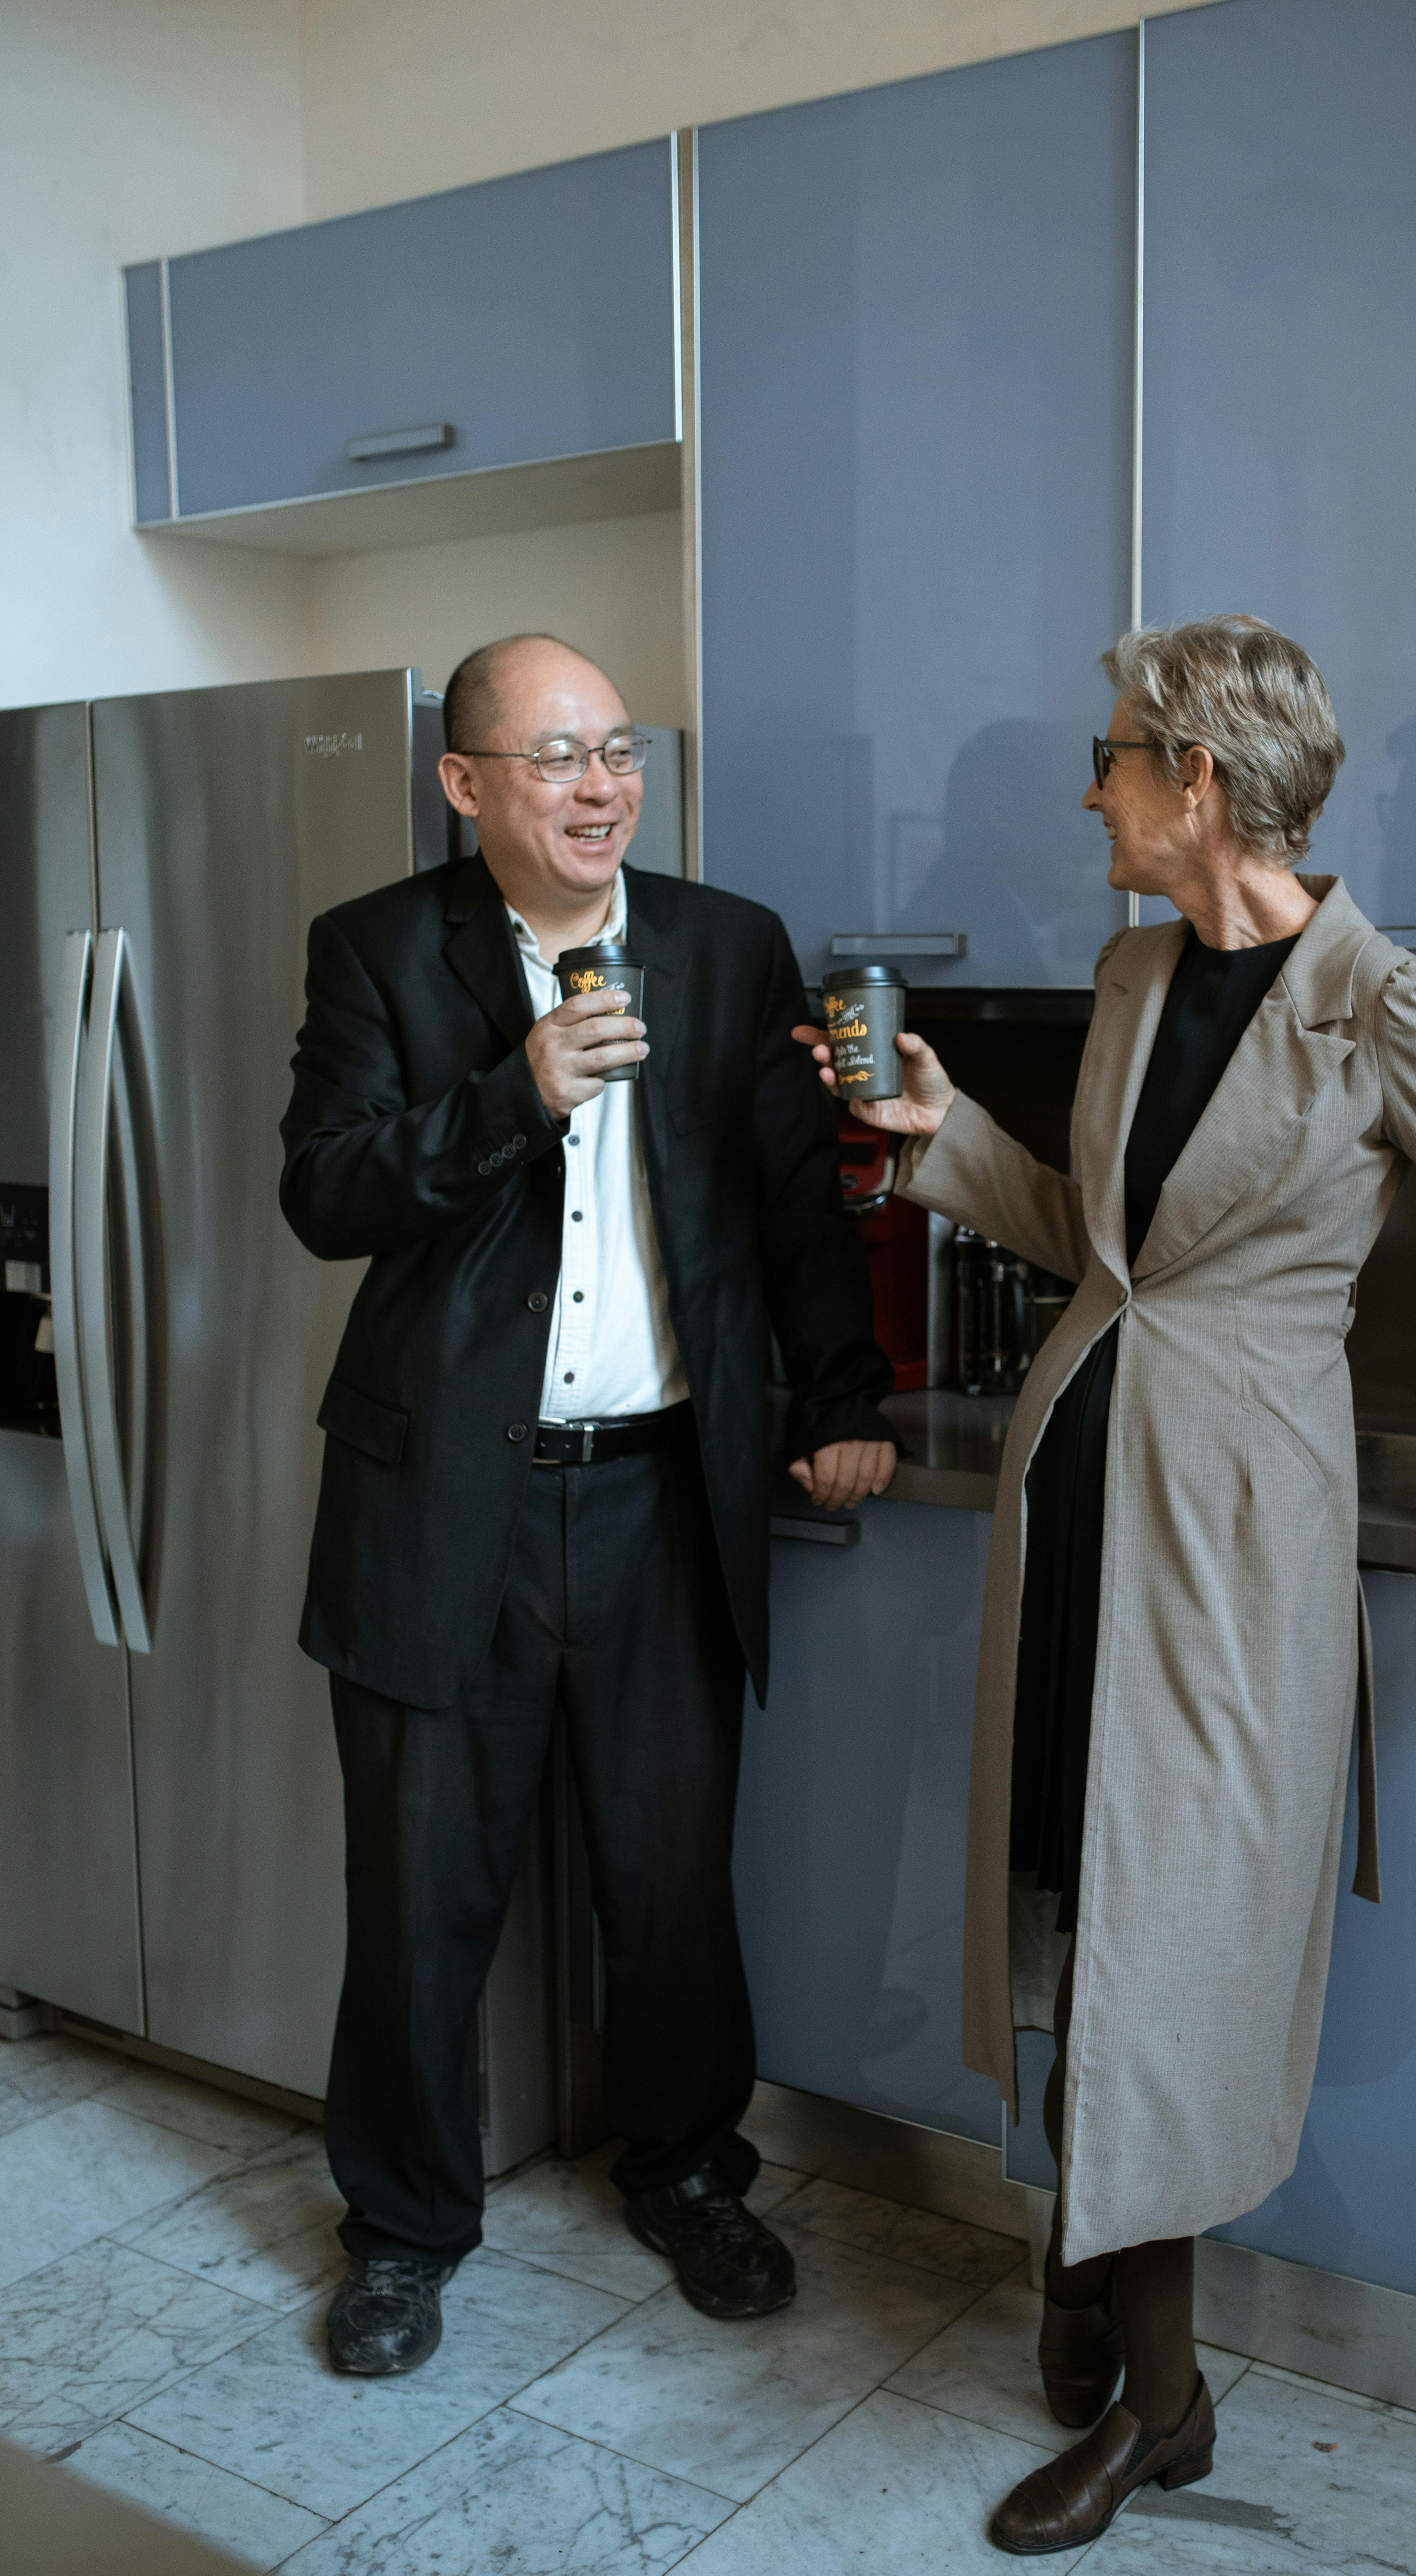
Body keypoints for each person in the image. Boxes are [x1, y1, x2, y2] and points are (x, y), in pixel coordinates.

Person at [798, 615, 1416, 2553]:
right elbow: (1100, 1244)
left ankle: (1162, 2407)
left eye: (1108, 760)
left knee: (1169, 1946)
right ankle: (1096, 2264)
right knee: (1075, 1895)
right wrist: (938, 1145)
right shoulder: (1135, 967)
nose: (1087, 792)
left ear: (1199, 783)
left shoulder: (1383, 1005)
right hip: (1081, 1492)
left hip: (1234, 1533)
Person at [281, 632, 897, 2376]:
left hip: (657, 1501)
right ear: (465, 784)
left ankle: (690, 2172)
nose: (600, 786)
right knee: (417, 1898)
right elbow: (324, 1193)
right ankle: (402, 2229)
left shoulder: (722, 946)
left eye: (616, 750)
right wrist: (513, 1098)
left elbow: (793, 1204)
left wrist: (841, 1399)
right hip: (440, 1512)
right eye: (554, 758)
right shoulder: (379, 952)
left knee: (670, 1883)